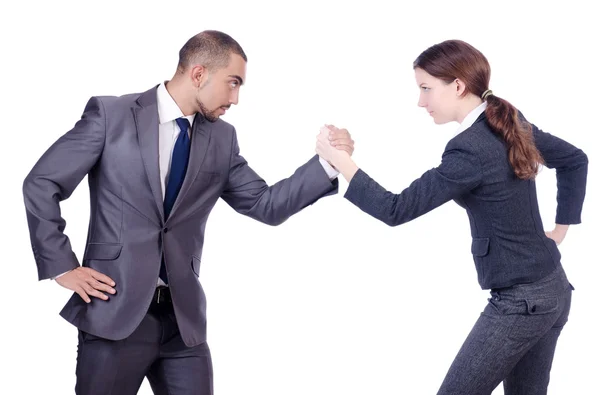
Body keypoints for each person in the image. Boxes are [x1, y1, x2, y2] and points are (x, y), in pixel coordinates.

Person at [22, 30, 354, 395]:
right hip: (113, 315)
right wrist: (62, 266)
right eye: (232, 83)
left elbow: (266, 205)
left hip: (183, 325)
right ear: (199, 74)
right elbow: (41, 183)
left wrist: (327, 164)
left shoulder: (222, 139)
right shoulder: (111, 115)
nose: (236, 98)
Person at [316, 39, 588, 394]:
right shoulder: (507, 121)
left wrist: (342, 163)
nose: (420, 101)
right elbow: (575, 159)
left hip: (522, 303)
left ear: (457, 86)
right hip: (553, 288)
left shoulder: (469, 150)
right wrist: (560, 231)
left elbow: (395, 209)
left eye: (426, 88)